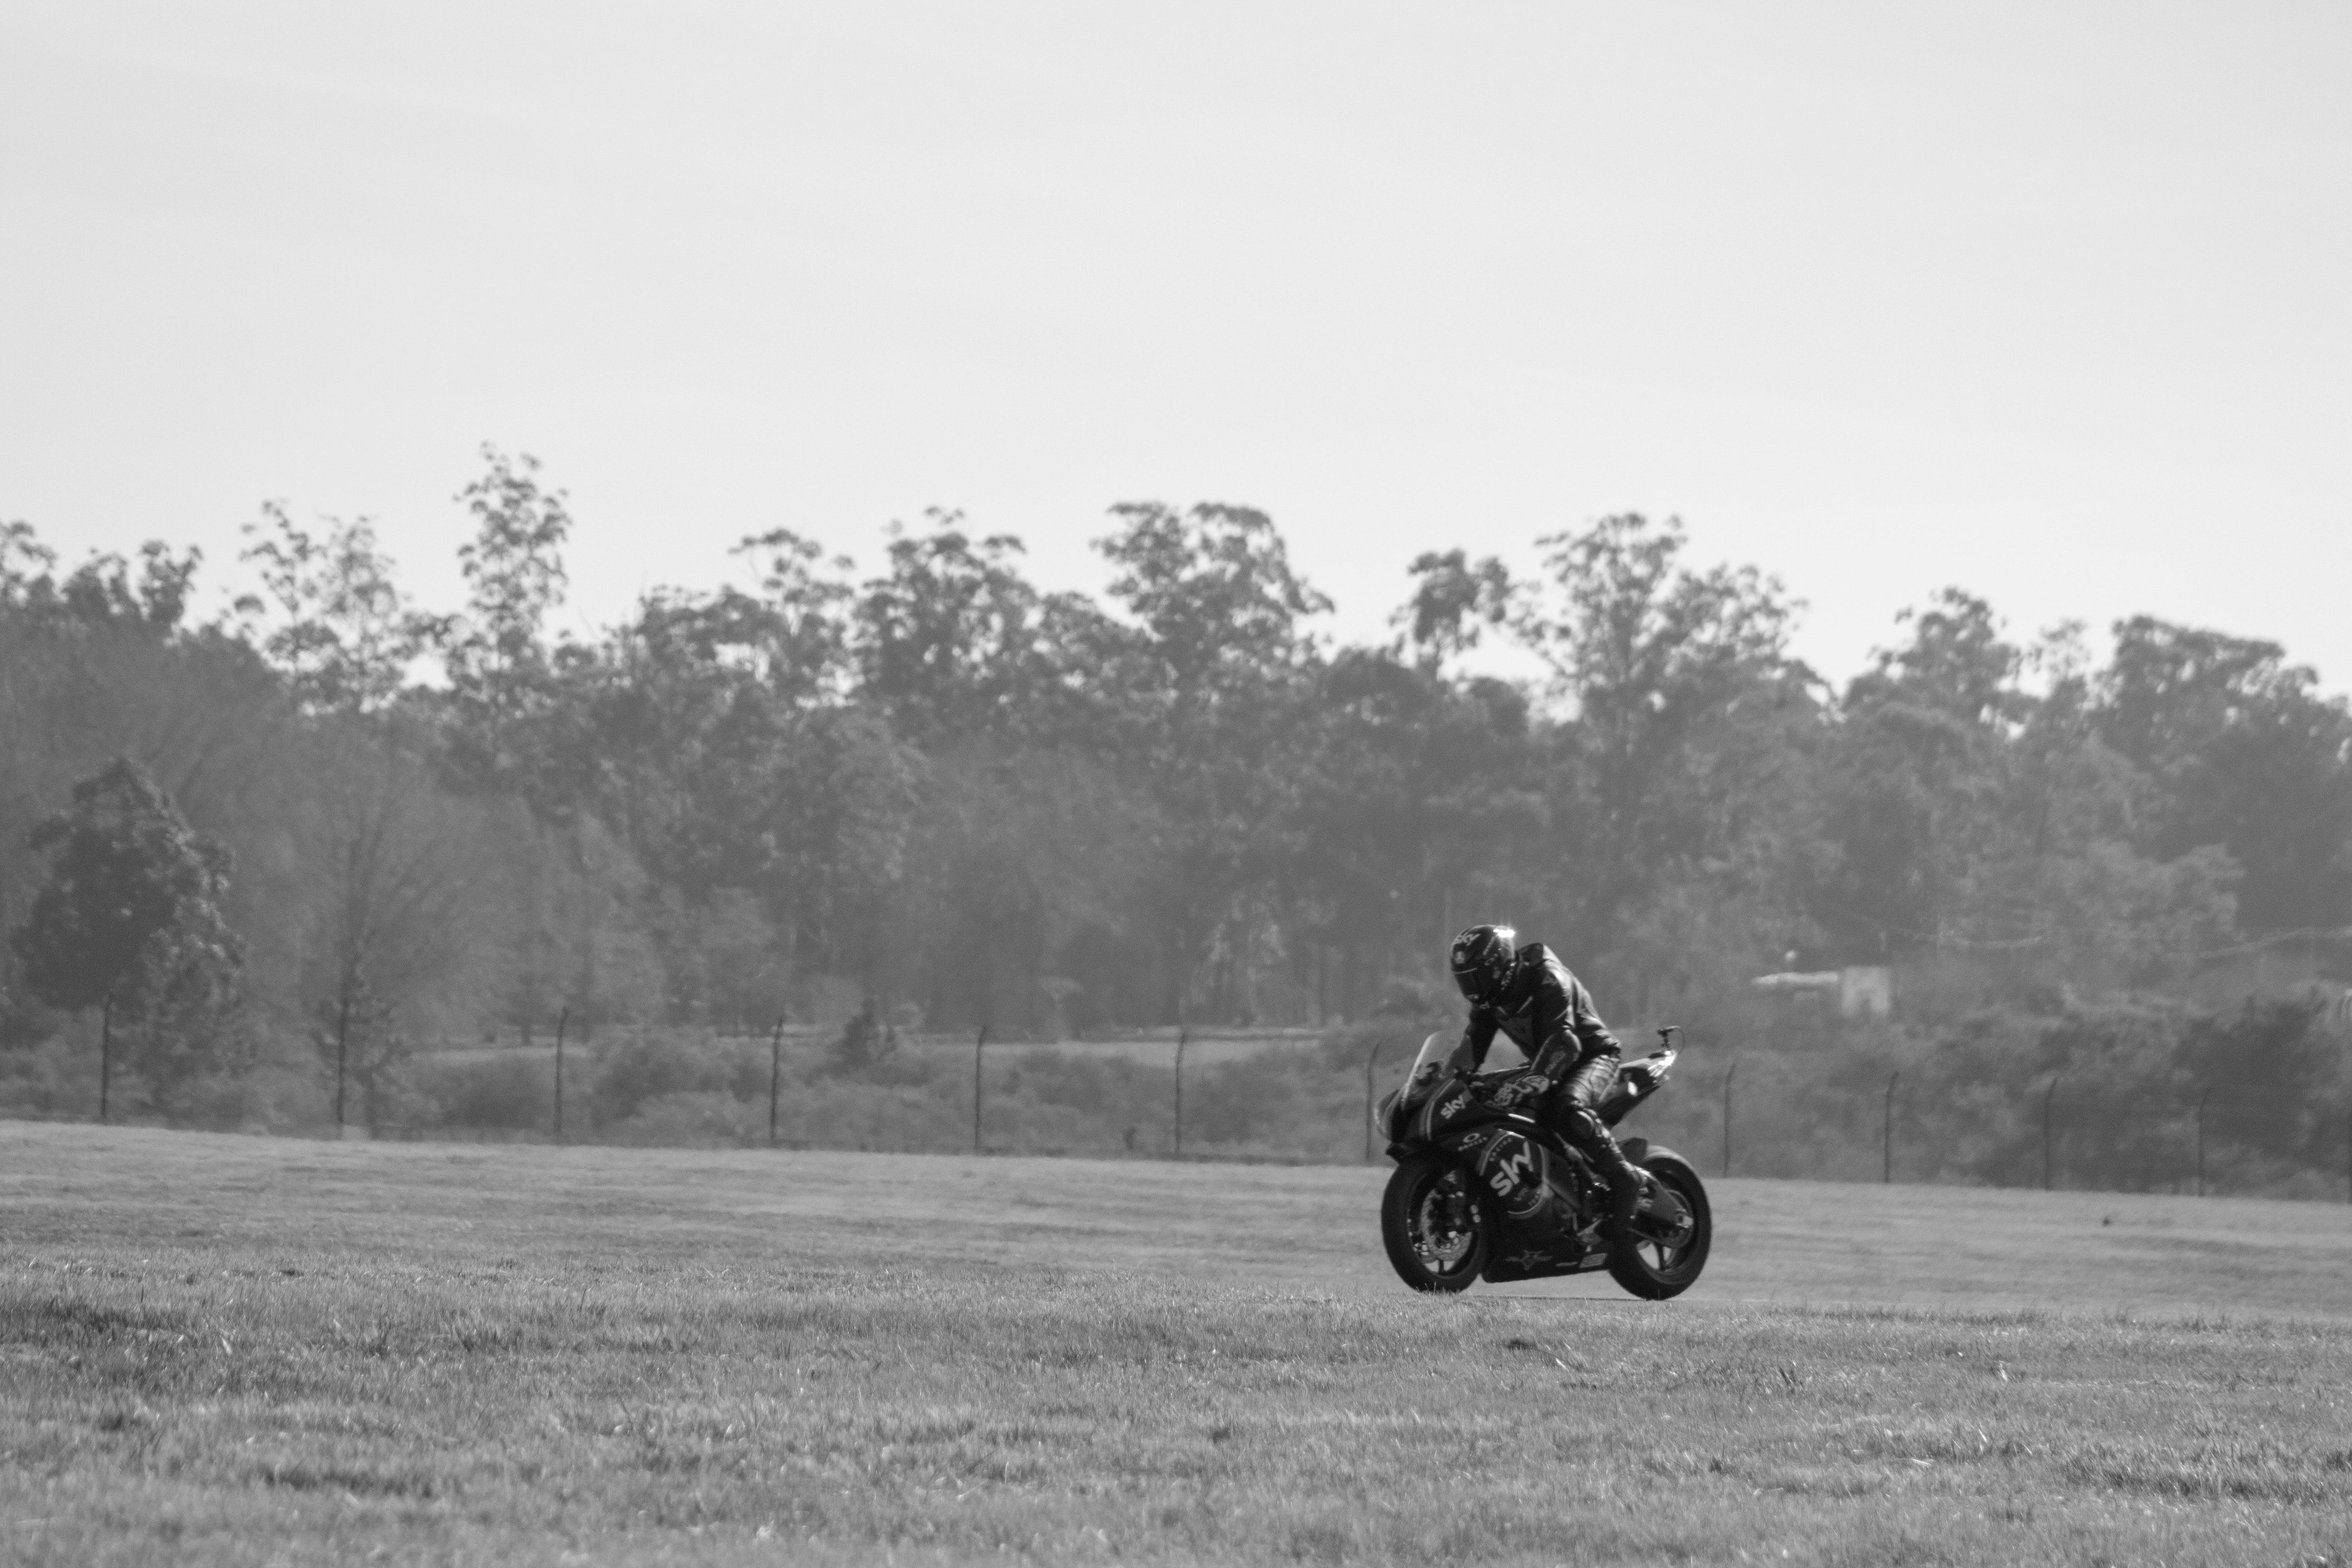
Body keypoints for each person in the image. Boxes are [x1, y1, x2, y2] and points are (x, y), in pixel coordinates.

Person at [1448, 922, 1647, 1235]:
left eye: (1478, 977)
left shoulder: (1547, 979)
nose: (1474, 988)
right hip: (1545, 1061)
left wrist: (1531, 1081)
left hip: (1591, 1055)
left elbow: (1565, 1043)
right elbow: (1470, 1050)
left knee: (1567, 1109)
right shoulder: (1489, 1000)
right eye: (1466, 981)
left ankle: (1624, 1178)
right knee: (1485, 1098)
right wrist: (1444, 1081)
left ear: (1500, 966)